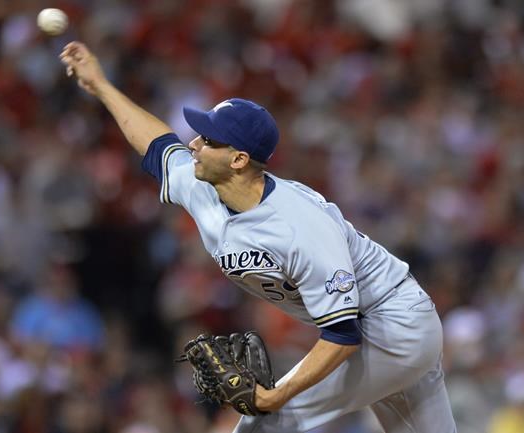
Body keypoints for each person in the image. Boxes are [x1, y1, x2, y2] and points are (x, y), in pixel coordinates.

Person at [59, 41, 457, 433]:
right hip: (384, 328)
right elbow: (157, 145)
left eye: (208, 140)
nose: (194, 145)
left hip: (394, 326)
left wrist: (272, 398)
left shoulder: (298, 224)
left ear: (238, 160)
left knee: (265, 425)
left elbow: (342, 335)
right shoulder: (203, 185)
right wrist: (101, 85)